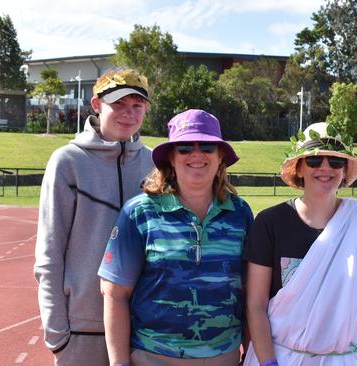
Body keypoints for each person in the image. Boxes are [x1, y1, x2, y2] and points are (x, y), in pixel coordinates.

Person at [98, 109, 253, 366]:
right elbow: (115, 293)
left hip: (222, 358)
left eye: (207, 146)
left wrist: (252, 355)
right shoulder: (139, 212)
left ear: (220, 157)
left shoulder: (240, 214)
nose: (196, 154)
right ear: (171, 157)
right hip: (153, 357)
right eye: (184, 148)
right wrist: (119, 363)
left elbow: (251, 294)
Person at [244, 122, 357, 366]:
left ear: (344, 171)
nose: (326, 168)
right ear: (299, 169)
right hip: (280, 357)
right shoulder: (270, 223)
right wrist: (268, 363)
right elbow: (256, 305)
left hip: (343, 360)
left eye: (335, 162)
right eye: (315, 161)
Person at [34, 67, 154, 365]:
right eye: (119, 104)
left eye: (136, 106)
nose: (128, 113)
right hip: (82, 329)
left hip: (145, 329)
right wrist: (57, 333)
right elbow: (49, 251)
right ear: (97, 105)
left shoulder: (155, 163)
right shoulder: (67, 161)